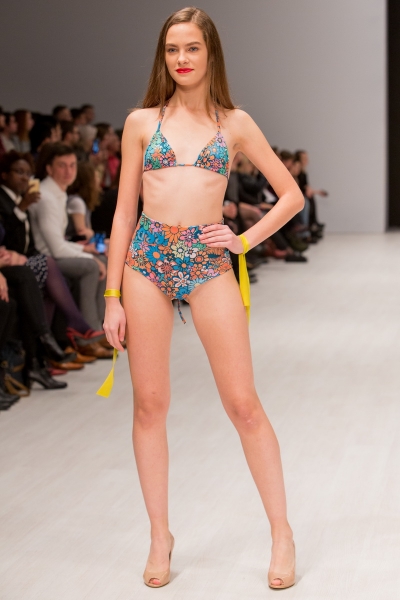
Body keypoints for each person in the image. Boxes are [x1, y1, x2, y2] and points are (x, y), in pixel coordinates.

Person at [103, 7, 303, 591]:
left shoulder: (234, 123)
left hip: (209, 262)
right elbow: (123, 213)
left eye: (192, 48)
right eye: (172, 50)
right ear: (162, 57)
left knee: (243, 404)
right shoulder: (141, 122)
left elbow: (289, 195)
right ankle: (159, 534)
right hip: (146, 262)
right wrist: (112, 295)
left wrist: (242, 240)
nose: (182, 59)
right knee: (149, 405)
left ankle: (282, 532)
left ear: (210, 52)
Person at [29, 143, 107, 331]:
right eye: (62, 165)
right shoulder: (46, 198)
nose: (68, 171)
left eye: (72, 165)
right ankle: (90, 332)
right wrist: (88, 256)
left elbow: (60, 241)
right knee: (91, 266)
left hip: (54, 253)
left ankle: (103, 326)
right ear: (49, 169)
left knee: (102, 259)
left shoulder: (58, 193)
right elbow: (56, 249)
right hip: (46, 258)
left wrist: (85, 249)